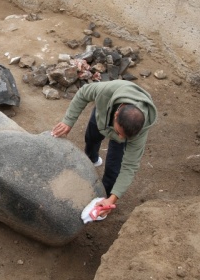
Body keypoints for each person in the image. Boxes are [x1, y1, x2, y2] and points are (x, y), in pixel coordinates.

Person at [51, 79, 157, 218]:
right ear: (116, 114)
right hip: (102, 115)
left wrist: (113, 198)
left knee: (114, 169)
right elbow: (83, 93)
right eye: (119, 133)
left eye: (124, 137)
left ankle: (102, 200)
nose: (119, 138)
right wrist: (68, 121)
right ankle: (92, 160)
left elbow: (130, 166)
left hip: (117, 124)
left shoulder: (138, 131)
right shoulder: (106, 91)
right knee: (91, 139)